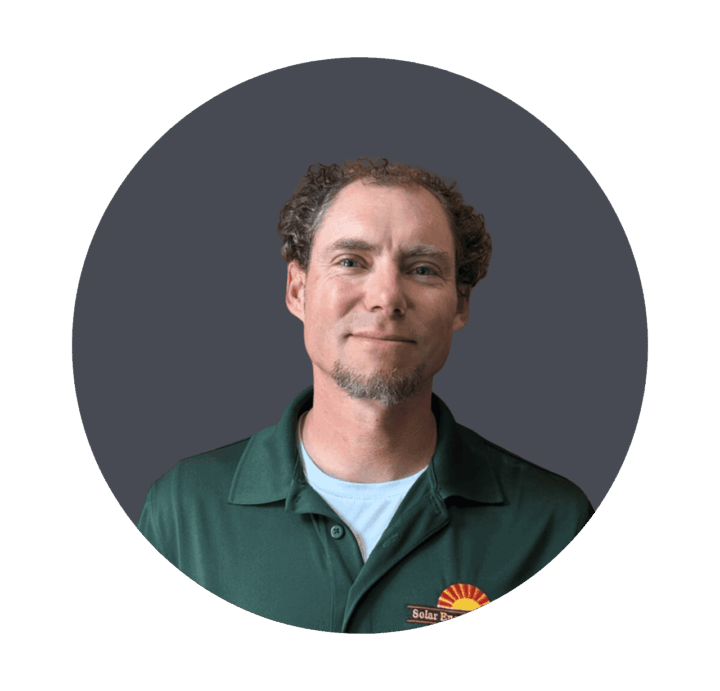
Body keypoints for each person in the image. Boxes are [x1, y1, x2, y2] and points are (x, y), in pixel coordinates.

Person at [138, 157, 594, 633]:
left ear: (460, 304)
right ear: (297, 290)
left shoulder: (553, 526)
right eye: (351, 262)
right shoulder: (183, 511)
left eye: (422, 269)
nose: (386, 297)